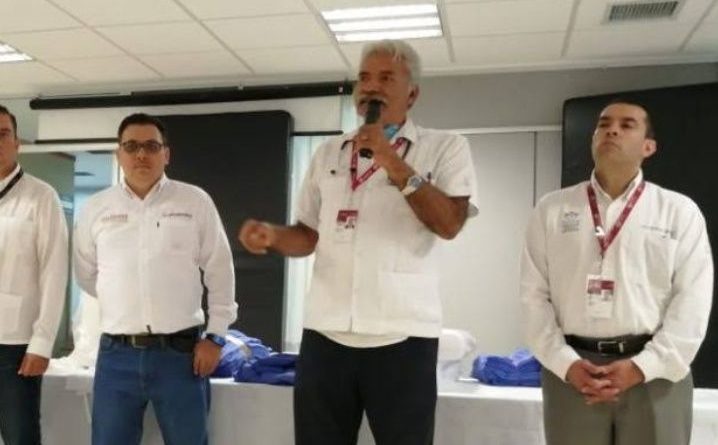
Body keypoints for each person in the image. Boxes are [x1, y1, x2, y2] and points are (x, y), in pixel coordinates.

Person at [239, 39, 478, 445]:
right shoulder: (328, 152)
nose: (371, 86)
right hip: (326, 334)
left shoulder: (445, 147)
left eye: (386, 78)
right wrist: (274, 236)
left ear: (412, 94)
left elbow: (450, 223)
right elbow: (308, 235)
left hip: (402, 336)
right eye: (364, 78)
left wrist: (392, 161)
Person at [521, 101, 714, 445]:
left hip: (655, 372)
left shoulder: (678, 211)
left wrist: (643, 366)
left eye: (627, 125)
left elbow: (693, 301)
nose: (612, 130)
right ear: (593, 139)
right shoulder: (552, 209)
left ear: (648, 147)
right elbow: (532, 296)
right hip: (573, 373)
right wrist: (565, 363)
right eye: (604, 124)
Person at [73, 113, 237, 445]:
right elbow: (87, 275)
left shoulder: (194, 201)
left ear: (166, 154)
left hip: (181, 356)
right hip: (117, 356)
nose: (141, 155)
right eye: (131, 146)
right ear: (119, 154)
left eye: (151, 146)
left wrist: (216, 336)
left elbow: (220, 270)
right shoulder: (96, 208)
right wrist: (125, 301)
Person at [0, 104, 68, 445]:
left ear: (17, 142)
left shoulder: (41, 197)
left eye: (3, 134)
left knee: (20, 436)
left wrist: (42, 342)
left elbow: (55, 273)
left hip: (14, 346)